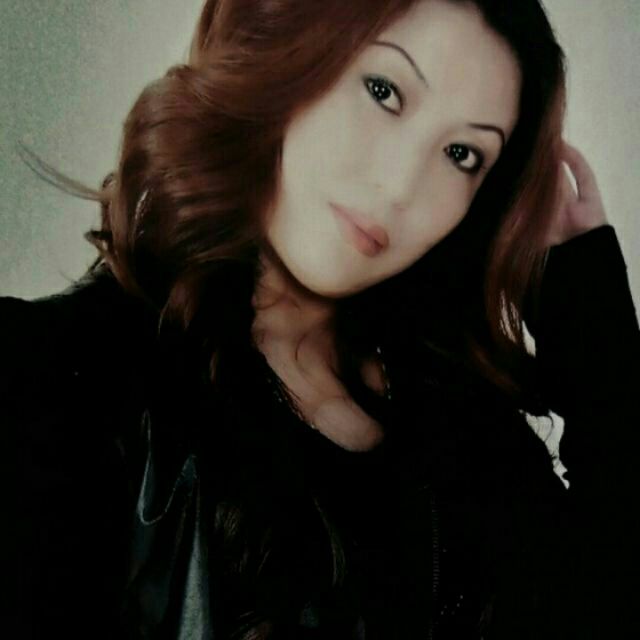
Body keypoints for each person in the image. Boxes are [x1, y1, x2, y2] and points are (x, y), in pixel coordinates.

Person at [1, 0, 639, 638]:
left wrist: (596, 334)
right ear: (284, 54)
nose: (399, 186)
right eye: (383, 91)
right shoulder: (58, 382)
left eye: (461, 153)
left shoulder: (465, 431)